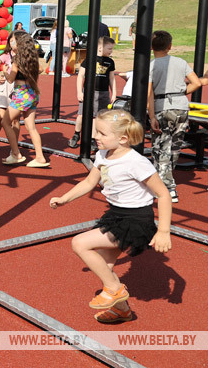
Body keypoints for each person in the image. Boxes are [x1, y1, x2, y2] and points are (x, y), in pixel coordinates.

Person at [50, 109, 172, 324]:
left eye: (102, 133)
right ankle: (122, 310)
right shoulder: (102, 155)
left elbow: (163, 194)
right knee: (105, 268)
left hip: (136, 220)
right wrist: (65, 198)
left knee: (80, 243)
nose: (95, 136)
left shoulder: (136, 162)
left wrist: (163, 231)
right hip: (116, 215)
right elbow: (89, 183)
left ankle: (115, 289)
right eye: (96, 131)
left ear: (123, 139)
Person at [147, 30, 203, 203]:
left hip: (162, 106)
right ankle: (165, 181)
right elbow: (197, 83)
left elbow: (149, 92)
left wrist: (151, 116)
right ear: (169, 46)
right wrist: (179, 93)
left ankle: (167, 187)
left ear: (151, 46)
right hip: (181, 106)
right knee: (174, 146)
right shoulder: (180, 62)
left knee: (160, 147)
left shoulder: (152, 65)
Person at [0, 32, 49, 167]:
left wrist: (5, 71)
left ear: (20, 44)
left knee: (5, 121)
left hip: (22, 94)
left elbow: (10, 79)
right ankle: (40, 157)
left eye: (14, 42)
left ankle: (16, 154)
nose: (11, 44)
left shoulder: (17, 60)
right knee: (31, 127)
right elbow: (41, 69)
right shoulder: (31, 58)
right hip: (32, 93)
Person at [69, 36, 117, 150]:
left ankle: (92, 139)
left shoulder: (110, 62)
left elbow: (111, 78)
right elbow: (80, 75)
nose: (111, 51)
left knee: (97, 117)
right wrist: (79, 92)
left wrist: (114, 93)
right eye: (109, 49)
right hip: (89, 92)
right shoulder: (90, 59)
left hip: (103, 93)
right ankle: (76, 134)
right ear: (100, 48)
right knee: (81, 115)